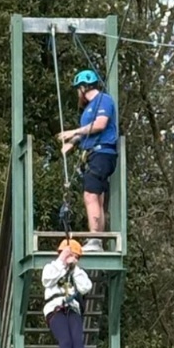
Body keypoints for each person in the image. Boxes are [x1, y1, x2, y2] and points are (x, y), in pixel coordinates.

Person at [58, 69, 118, 248]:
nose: (78, 93)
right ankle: (97, 239)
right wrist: (72, 142)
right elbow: (88, 132)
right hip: (95, 155)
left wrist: (73, 131)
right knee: (97, 197)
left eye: (78, 89)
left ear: (83, 87)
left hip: (102, 153)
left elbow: (100, 124)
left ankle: (94, 239)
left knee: (90, 195)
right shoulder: (89, 109)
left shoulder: (103, 100)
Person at [42, 238, 94, 348]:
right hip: (55, 308)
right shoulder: (52, 268)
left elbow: (85, 287)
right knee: (65, 339)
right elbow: (47, 280)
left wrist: (74, 268)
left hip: (72, 308)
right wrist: (62, 261)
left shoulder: (77, 273)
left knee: (77, 339)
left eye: (76, 257)